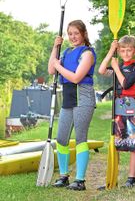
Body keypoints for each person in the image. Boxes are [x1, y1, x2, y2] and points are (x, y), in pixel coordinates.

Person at [48, 20, 97, 191]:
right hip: (69, 99)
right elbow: (51, 69)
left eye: (76, 33)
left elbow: (76, 77)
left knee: (80, 138)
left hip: (83, 97)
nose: (73, 37)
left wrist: (57, 66)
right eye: (70, 34)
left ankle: (80, 180)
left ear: (84, 34)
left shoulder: (88, 53)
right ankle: (63, 176)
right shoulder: (66, 51)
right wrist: (56, 47)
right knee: (61, 138)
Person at [98, 35, 135, 188]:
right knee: (116, 143)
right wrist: (112, 50)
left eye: (129, 50)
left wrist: (117, 68)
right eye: (123, 50)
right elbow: (101, 70)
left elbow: (126, 84)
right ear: (119, 52)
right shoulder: (118, 64)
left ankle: (131, 179)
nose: (126, 53)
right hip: (120, 108)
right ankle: (114, 177)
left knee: (134, 145)